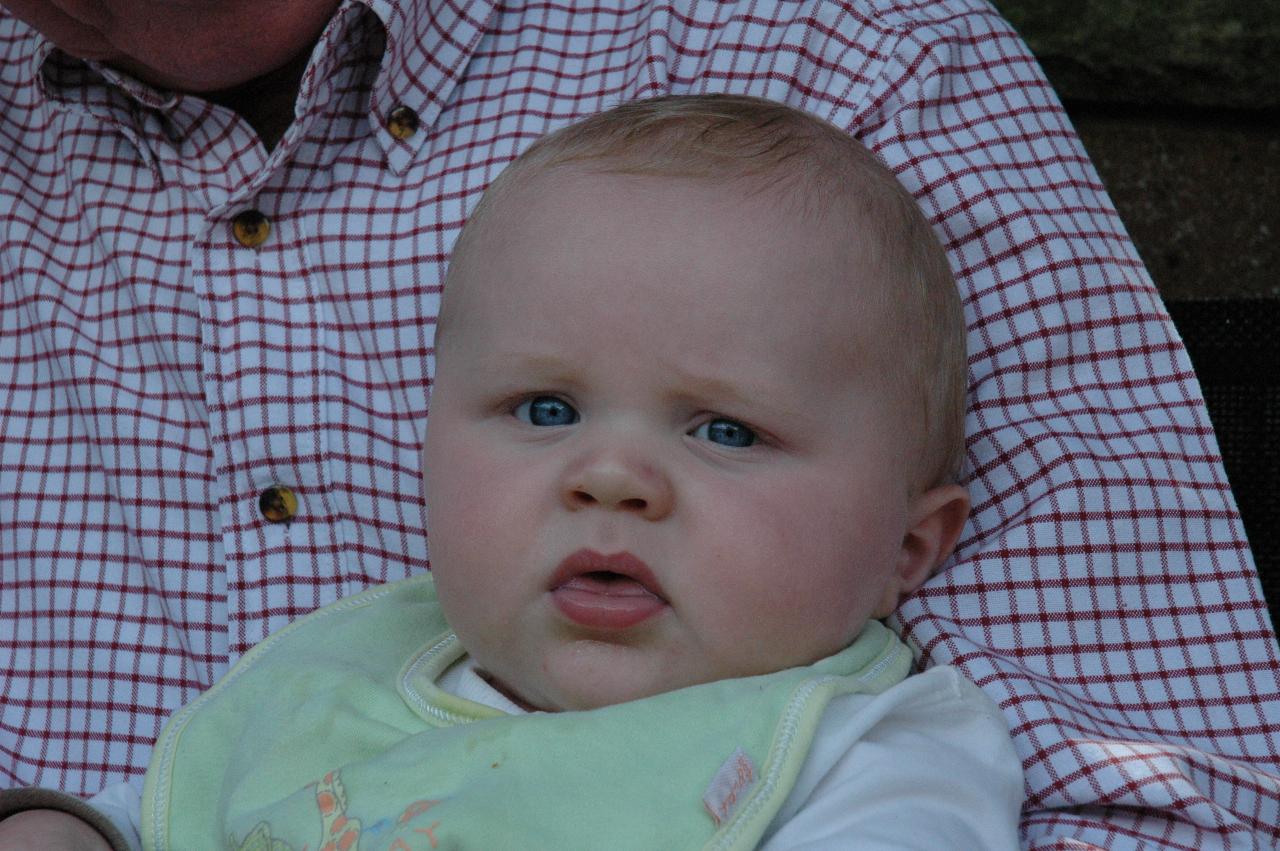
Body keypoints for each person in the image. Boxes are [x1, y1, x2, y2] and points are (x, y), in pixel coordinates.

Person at [0, 2, 1276, 848]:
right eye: (543, 410)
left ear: (911, 546)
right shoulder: (347, 671)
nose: (610, 474)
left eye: (723, 431)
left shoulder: (855, 757)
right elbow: (159, 803)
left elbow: (1158, 795)